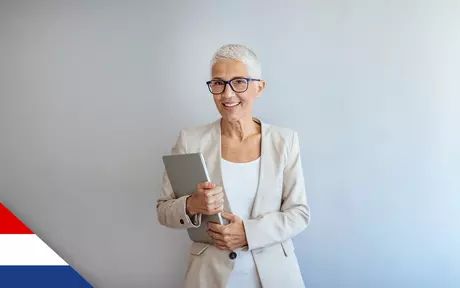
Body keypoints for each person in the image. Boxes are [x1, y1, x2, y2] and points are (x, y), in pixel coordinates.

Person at [157, 44, 310, 288]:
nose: (227, 94)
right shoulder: (190, 140)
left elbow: (299, 214)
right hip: (208, 277)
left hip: (275, 277)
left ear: (259, 87)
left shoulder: (285, 141)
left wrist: (248, 233)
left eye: (239, 82)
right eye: (218, 83)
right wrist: (192, 204)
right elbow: (164, 210)